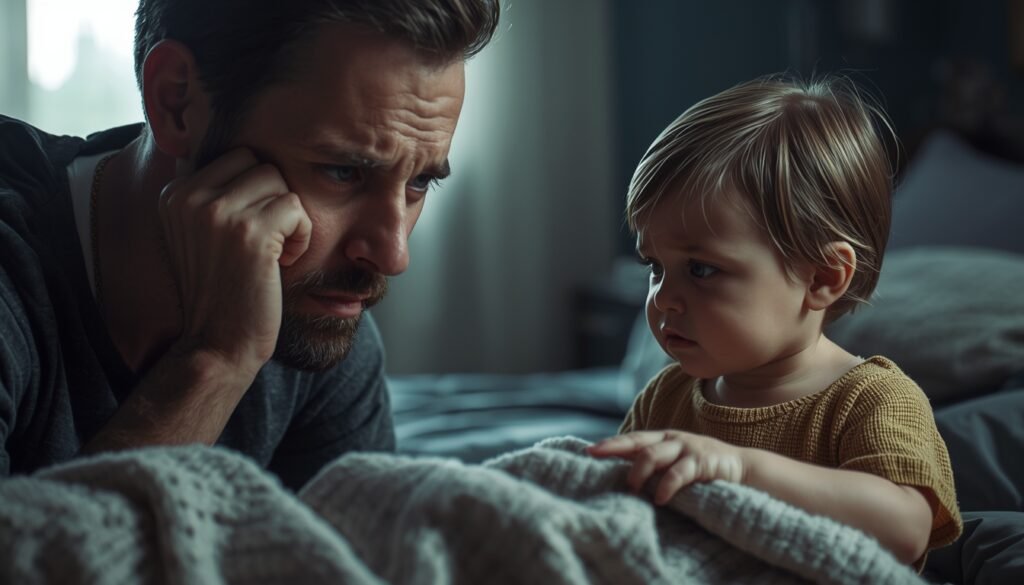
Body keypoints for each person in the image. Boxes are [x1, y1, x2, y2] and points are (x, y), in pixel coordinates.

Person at [0, 0, 499, 490]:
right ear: (177, 102)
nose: (392, 255)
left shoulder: (317, 317)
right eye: (342, 171)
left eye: (419, 185)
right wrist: (215, 359)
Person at [587, 75, 963, 567]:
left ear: (823, 278)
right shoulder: (667, 397)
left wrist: (741, 468)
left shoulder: (871, 400)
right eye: (655, 268)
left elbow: (905, 528)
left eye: (701, 270)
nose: (664, 300)